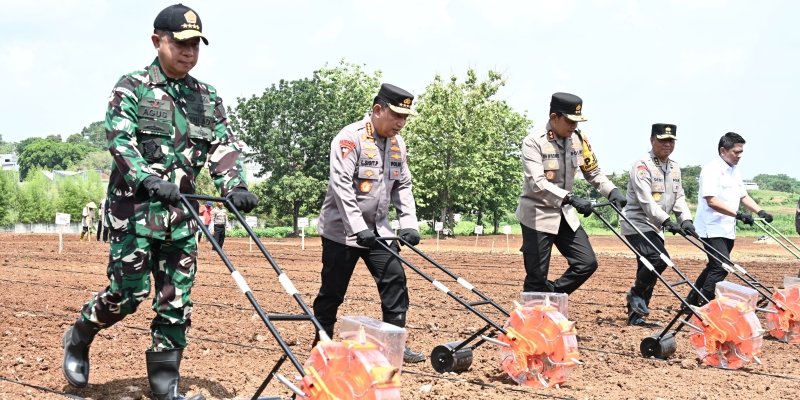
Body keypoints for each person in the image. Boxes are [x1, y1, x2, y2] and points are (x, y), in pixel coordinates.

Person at [61, 5, 258, 400]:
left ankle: (165, 384)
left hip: (182, 218)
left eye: (195, 45)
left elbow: (223, 147)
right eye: (181, 43)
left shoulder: (207, 98)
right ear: (157, 41)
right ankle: (81, 333)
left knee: (176, 300)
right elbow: (121, 142)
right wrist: (149, 179)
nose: (189, 52)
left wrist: (235, 186)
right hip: (133, 213)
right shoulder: (131, 87)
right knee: (127, 294)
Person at [314, 83, 425, 363]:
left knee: (395, 281)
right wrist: (357, 227)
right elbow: (341, 185)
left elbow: (403, 184)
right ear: (378, 110)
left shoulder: (398, 144)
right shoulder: (350, 138)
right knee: (332, 292)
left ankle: (393, 346)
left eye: (405, 118)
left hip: (379, 231)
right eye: (396, 116)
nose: (401, 123)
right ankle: (322, 344)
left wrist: (409, 222)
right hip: (343, 233)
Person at [516, 92, 627, 295]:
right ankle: (529, 323)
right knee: (537, 275)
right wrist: (570, 197)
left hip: (564, 214)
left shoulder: (579, 139)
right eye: (569, 121)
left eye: (577, 121)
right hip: (538, 215)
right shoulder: (533, 142)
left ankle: (552, 293)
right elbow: (537, 183)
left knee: (586, 263)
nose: (573, 126)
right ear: (554, 117)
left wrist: (612, 191)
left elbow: (592, 171)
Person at [621, 124, 693, 326]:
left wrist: (685, 220)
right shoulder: (642, 166)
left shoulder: (674, 167)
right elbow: (646, 202)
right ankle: (635, 293)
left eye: (671, 141)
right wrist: (667, 221)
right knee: (659, 259)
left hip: (656, 225)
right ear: (652, 140)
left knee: (648, 266)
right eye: (662, 140)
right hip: (637, 223)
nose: (667, 144)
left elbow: (679, 197)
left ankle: (636, 317)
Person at [689, 132, 772, 306]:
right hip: (711, 228)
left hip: (727, 228)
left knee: (714, 265)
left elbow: (743, 195)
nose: (740, 156)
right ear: (723, 150)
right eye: (736, 152)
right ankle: (703, 304)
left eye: (741, 152)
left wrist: (760, 211)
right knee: (722, 266)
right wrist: (739, 214)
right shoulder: (711, 170)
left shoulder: (735, 171)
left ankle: (690, 301)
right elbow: (712, 201)